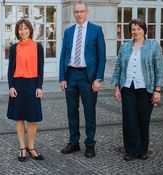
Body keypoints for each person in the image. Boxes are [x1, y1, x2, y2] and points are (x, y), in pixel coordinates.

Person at [111, 18, 163, 161]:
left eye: (138, 29)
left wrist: (157, 90)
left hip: (146, 89)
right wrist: (117, 87)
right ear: (130, 31)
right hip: (127, 87)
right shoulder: (124, 47)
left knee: (143, 119)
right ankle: (130, 150)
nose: (136, 31)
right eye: (133, 29)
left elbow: (159, 70)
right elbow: (118, 68)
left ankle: (142, 150)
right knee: (129, 120)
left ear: (144, 30)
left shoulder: (153, 46)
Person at [59, 1, 106, 158]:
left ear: (87, 12)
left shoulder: (96, 30)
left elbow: (102, 57)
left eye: (81, 11)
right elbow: (63, 56)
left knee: (89, 112)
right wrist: (62, 78)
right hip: (71, 75)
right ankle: (74, 142)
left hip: (88, 77)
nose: (79, 14)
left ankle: (90, 144)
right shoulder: (68, 31)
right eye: (76, 12)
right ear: (73, 13)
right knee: (72, 111)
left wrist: (98, 78)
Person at [7, 19, 44, 162]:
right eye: (20, 29)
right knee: (19, 117)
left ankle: (31, 147)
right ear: (17, 31)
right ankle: (22, 147)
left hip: (33, 84)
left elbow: (41, 69)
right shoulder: (14, 48)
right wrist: (11, 86)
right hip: (18, 84)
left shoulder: (38, 47)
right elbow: (10, 69)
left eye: (25, 28)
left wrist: (39, 87)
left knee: (33, 119)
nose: (23, 31)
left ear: (30, 30)